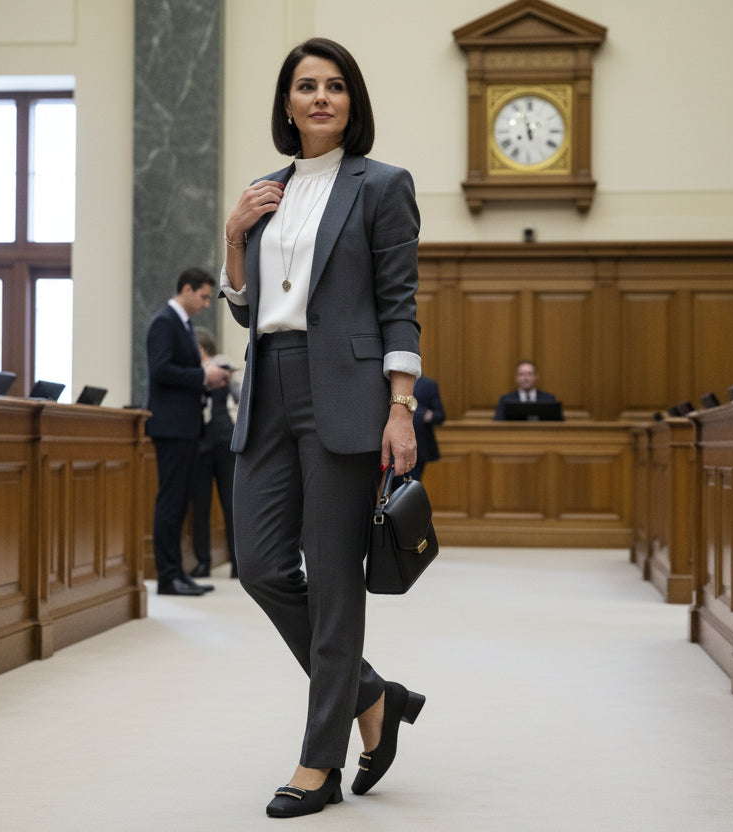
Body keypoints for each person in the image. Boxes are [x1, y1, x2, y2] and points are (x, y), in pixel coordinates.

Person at [221, 37, 426, 819]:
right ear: (286, 103)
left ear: (352, 102)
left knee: (335, 579)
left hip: (344, 390)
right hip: (267, 384)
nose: (320, 98)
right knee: (262, 565)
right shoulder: (264, 190)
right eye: (306, 86)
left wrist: (400, 404)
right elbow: (246, 306)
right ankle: (373, 697)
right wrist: (235, 236)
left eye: (335, 86)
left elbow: (398, 299)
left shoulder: (382, 185)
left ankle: (319, 763)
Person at [145, 268, 230, 597]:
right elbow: (161, 370)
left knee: (179, 503)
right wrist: (202, 376)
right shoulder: (164, 322)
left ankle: (177, 572)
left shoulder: (181, 323)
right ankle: (167, 576)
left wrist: (207, 377)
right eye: (205, 296)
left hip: (185, 425)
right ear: (187, 289)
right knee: (170, 503)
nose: (207, 303)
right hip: (171, 426)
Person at [188, 326, 239, 579]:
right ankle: (205, 562)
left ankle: (235, 562)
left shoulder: (222, 365)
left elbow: (238, 395)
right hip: (201, 441)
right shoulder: (192, 374)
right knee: (201, 504)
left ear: (200, 348)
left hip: (221, 439)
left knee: (229, 503)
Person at [407, 374, 444, 481]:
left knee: (410, 485)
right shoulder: (391, 382)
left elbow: (440, 415)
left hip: (419, 447)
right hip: (393, 445)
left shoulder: (428, 384)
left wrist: (427, 415)